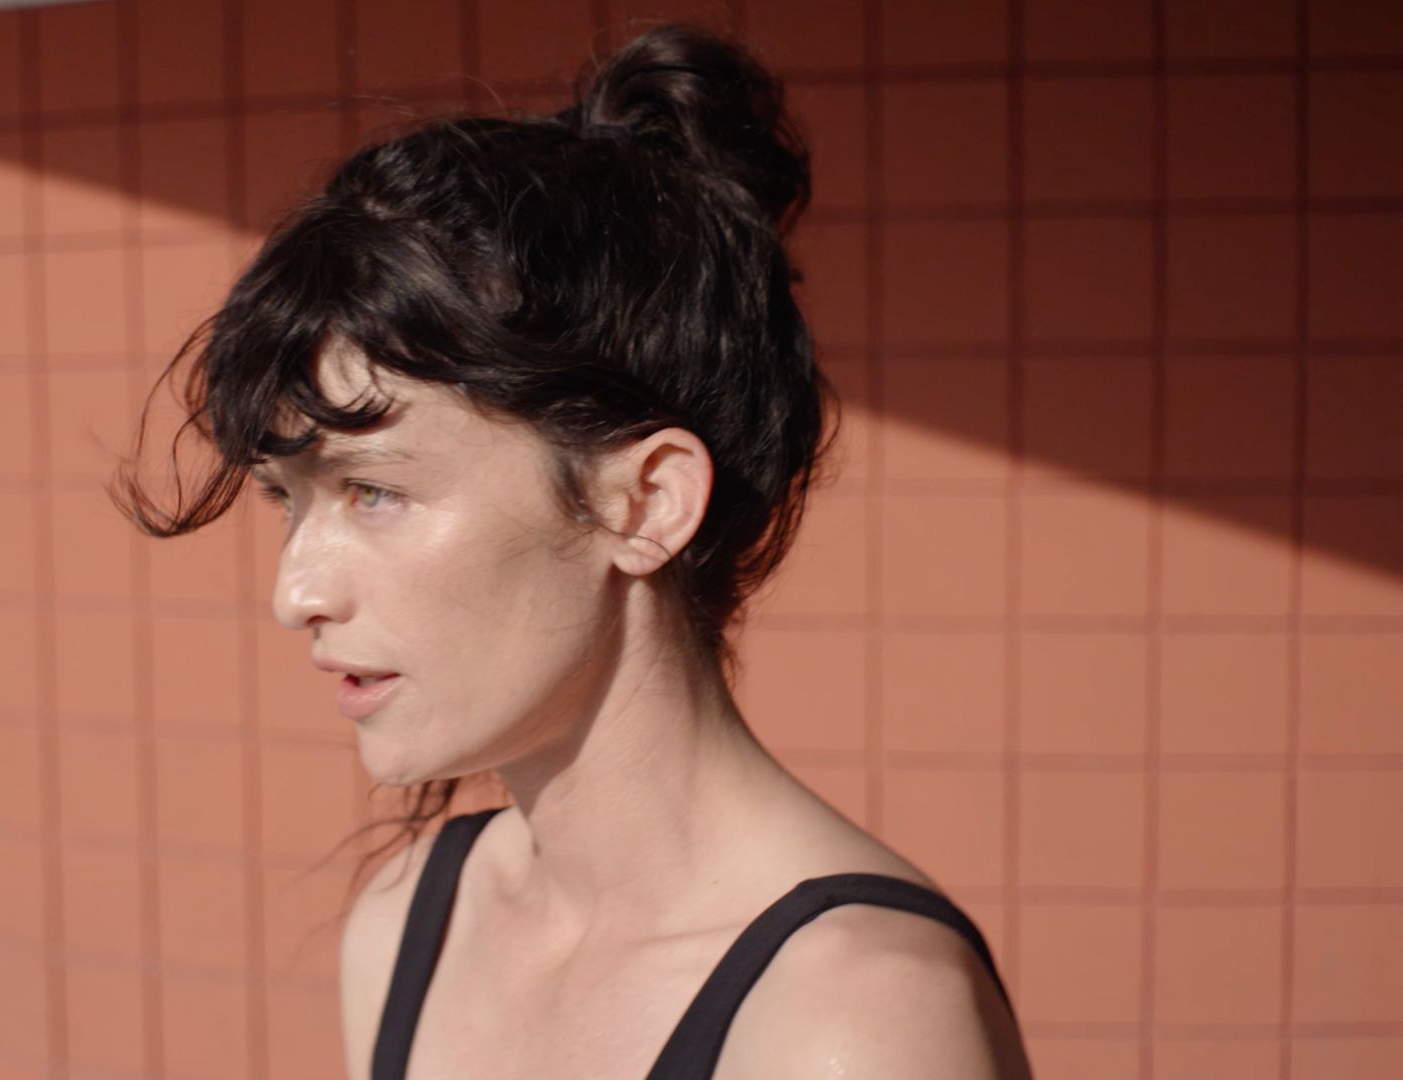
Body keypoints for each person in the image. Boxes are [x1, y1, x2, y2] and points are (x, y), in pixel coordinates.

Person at [112, 20, 1034, 1080]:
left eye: (373, 491)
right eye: (287, 499)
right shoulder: (410, 925)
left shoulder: (854, 1025)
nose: (295, 593)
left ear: (642, 503)